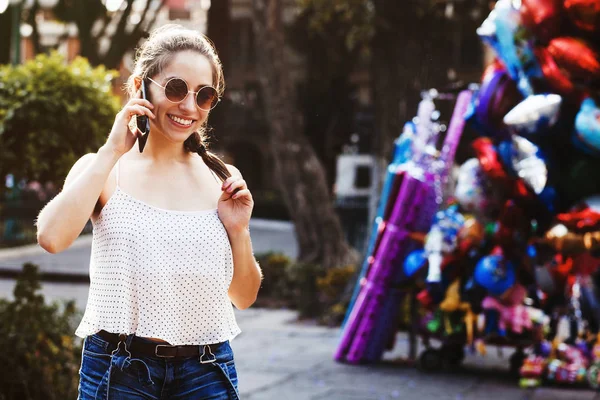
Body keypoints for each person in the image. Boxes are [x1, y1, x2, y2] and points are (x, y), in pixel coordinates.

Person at [36, 24, 262, 399]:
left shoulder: (223, 179)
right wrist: (111, 150)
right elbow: (50, 238)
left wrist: (239, 231)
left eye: (203, 95)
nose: (189, 107)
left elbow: (244, 296)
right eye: (176, 89)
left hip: (206, 372)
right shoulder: (105, 168)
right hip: (118, 369)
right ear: (142, 85)